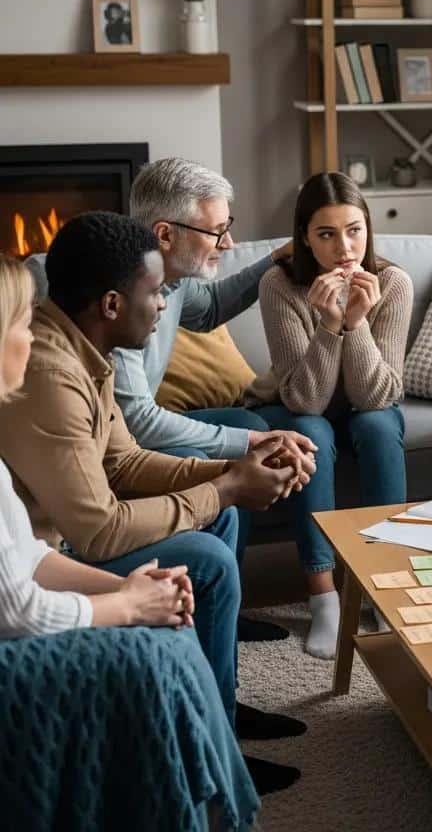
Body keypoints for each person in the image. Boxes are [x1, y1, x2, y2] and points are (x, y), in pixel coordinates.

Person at [0, 213, 307, 795]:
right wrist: (225, 487)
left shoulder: (86, 350)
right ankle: (207, 756)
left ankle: (219, 711)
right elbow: (98, 533)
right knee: (208, 556)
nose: (165, 306)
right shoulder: (49, 373)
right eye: (155, 292)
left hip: (63, 545)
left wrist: (236, 472)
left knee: (223, 514)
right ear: (113, 304)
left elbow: (126, 464)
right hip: (57, 553)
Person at [114, 157, 332, 645]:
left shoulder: (174, 279)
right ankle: (219, 605)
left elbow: (210, 309)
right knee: (244, 437)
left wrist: (278, 258)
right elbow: (139, 424)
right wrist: (253, 438)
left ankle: (224, 606)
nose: (228, 242)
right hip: (124, 446)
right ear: (165, 234)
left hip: (141, 429)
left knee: (240, 420)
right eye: (217, 230)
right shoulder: (122, 297)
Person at [245, 171, 413, 655]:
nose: (345, 247)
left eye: (354, 230)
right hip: (299, 402)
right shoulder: (278, 285)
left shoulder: (393, 283)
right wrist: (329, 324)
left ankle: (385, 584)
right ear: (304, 238)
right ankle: (324, 598)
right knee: (307, 429)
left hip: (367, 403)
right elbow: (306, 399)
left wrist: (356, 322)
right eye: (327, 234)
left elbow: (377, 394)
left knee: (379, 425)